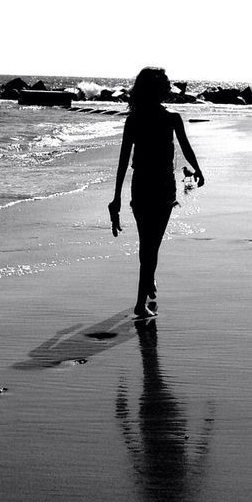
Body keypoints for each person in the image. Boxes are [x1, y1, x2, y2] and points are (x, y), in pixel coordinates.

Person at [109, 67, 206, 318]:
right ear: (158, 88)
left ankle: (148, 281)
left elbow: (123, 161)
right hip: (160, 186)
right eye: (165, 83)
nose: (169, 86)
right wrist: (198, 170)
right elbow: (185, 147)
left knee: (149, 245)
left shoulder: (136, 119)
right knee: (150, 247)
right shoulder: (170, 117)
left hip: (142, 185)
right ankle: (140, 304)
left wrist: (118, 196)